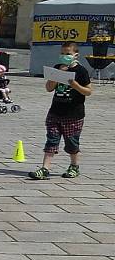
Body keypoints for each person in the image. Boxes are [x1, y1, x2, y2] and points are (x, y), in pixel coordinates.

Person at [29, 41, 92, 180]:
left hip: (74, 114)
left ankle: (74, 166)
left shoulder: (81, 71)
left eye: (68, 54)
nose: (64, 56)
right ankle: (45, 168)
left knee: (71, 143)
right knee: (51, 140)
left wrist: (75, 85)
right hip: (55, 112)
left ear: (76, 55)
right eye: (62, 54)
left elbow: (88, 91)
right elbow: (49, 88)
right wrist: (57, 75)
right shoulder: (58, 67)